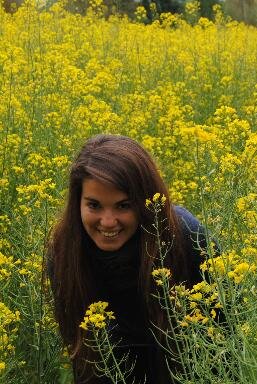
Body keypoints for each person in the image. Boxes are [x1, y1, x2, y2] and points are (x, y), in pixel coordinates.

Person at [47, 134, 213, 383]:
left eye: (123, 206)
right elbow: (84, 360)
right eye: (94, 205)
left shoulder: (186, 237)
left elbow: (227, 340)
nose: (108, 222)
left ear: (145, 203)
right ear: (77, 202)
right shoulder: (65, 252)